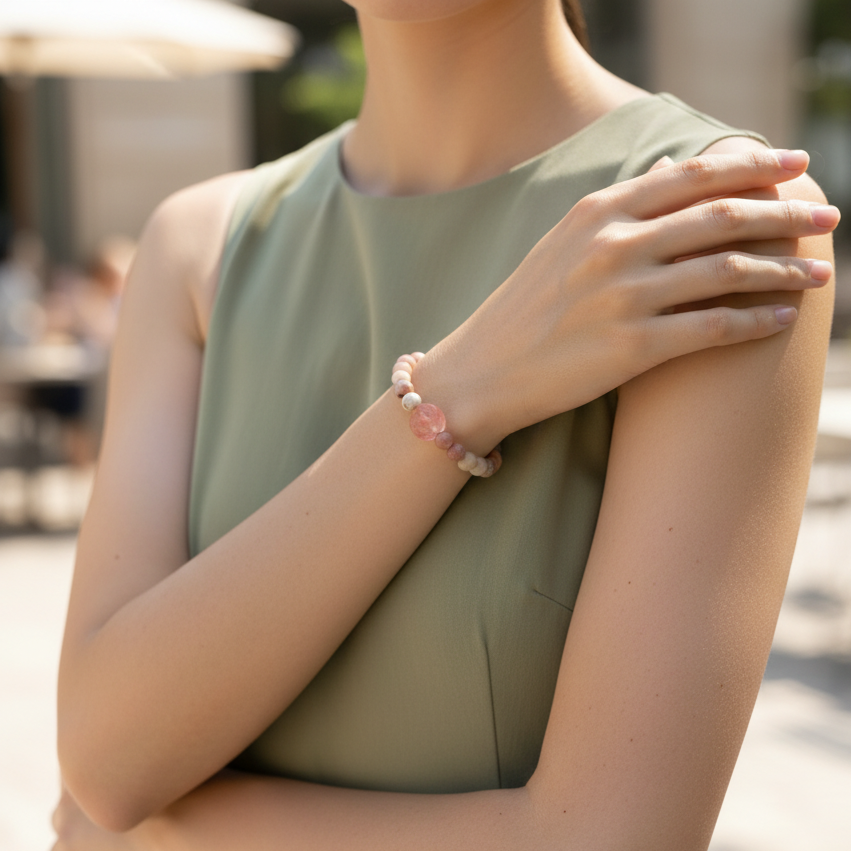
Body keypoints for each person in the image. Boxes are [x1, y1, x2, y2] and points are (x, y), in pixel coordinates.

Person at [52, 1, 838, 849]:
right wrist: (458, 391)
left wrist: (153, 839)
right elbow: (104, 757)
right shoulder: (200, 249)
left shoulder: (704, 221)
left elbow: (608, 837)